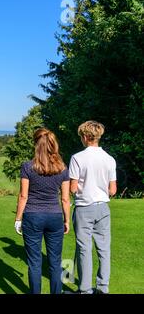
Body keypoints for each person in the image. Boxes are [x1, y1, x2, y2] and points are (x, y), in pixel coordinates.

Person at [14, 128, 71, 294]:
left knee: (34, 262)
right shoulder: (62, 168)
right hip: (54, 218)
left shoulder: (27, 167)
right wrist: (66, 220)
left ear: (35, 144)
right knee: (55, 262)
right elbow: (65, 199)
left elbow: (23, 196)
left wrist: (18, 219)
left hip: (32, 217)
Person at [69, 121, 117, 294]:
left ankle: (85, 289)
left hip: (84, 208)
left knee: (84, 249)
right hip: (103, 207)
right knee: (104, 249)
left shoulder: (77, 158)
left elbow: (73, 188)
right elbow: (112, 190)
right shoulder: (109, 159)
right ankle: (103, 288)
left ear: (85, 137)